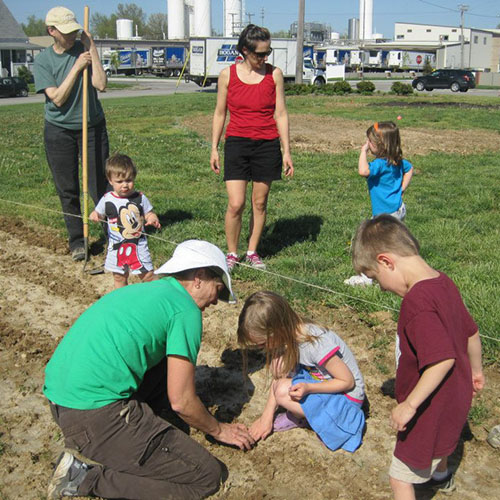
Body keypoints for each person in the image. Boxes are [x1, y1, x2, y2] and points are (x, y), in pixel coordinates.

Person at [43, 239, 255, 500]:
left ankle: (136, 431)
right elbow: (182, 401)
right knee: (207, 476)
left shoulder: (149, 292)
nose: (214, 302)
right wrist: (219, 429)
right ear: (199, 277)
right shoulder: (185, 311)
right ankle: (83, 477)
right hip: (91, 416)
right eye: (218, 289)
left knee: (165, 361)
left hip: (60, 401)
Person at [351, 215, 485, 500]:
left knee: (399, 478)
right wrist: (477, 371)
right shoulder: (444, 282)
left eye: (376, 278)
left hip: (429, 405)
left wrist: (410, 405)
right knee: (444, 442)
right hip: (457, 395)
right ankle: (442, 477)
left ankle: (432, 478)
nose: (382, 287)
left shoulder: (417, 303)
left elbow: (441, 360)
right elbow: (471, 333)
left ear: (387, 261)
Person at [210, 24, 294, 272]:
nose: (264, 58)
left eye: (268, 52)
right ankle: (232, 252)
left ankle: (252, 251)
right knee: (236, 204)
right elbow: (219, 113)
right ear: (245, 50)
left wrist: (286, 150)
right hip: (237, 143)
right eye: (259, 53)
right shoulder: (227, 75)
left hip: (267, 145)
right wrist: (213, 148)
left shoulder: (274, 74)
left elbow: (281, 114)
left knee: (259, 202)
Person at [237, 291, 365, 452]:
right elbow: (279, 378)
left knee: (283, 391)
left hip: (347, 399)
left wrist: (310, 388)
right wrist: (266, 417)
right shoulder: (289, 337)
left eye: (263, 343)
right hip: (323, 384)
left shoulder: (315, 344)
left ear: (278, 329)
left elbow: (347, 382)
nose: (262, 349)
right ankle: (311, 415)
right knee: (279, 369)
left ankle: (317, 420)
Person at [34, 6, 109, 261]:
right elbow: (57, 98)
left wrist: (93, 51)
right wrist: (77, 67)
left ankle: (114, 237)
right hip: (59, 130)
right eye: (66, 32)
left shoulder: (84, 49)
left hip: (92, 127)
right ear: (52, 31)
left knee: (99, 184)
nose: (72, 36)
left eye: (75, 31)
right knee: (68, 188)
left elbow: (101, 84)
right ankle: (78, 241)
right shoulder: (44, 60)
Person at [345, 121, 413, 286]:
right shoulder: (397, 160)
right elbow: (410, 169)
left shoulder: (379, 164)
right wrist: (402, 189)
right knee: (390, 244)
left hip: (384, 215)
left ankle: (367, 278)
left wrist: (362, 152)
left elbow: (363, 171)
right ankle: (401, 268)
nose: (367, 144)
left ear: (378, 145)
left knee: (371, 244)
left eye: (370, 142)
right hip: (398, 209)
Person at [90, 153, 160, 288]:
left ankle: (158, 295)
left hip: (139, 246)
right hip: (116, 248)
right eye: (119, 182)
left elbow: (149, 213)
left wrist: (152, 219)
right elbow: (98, 212)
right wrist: (95, 215)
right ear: (110, 180)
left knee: (148, 275)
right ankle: (121, 301)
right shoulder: (107, 199)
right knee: (119, 277)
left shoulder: (139, 197)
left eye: (129, 180)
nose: (125, 185)